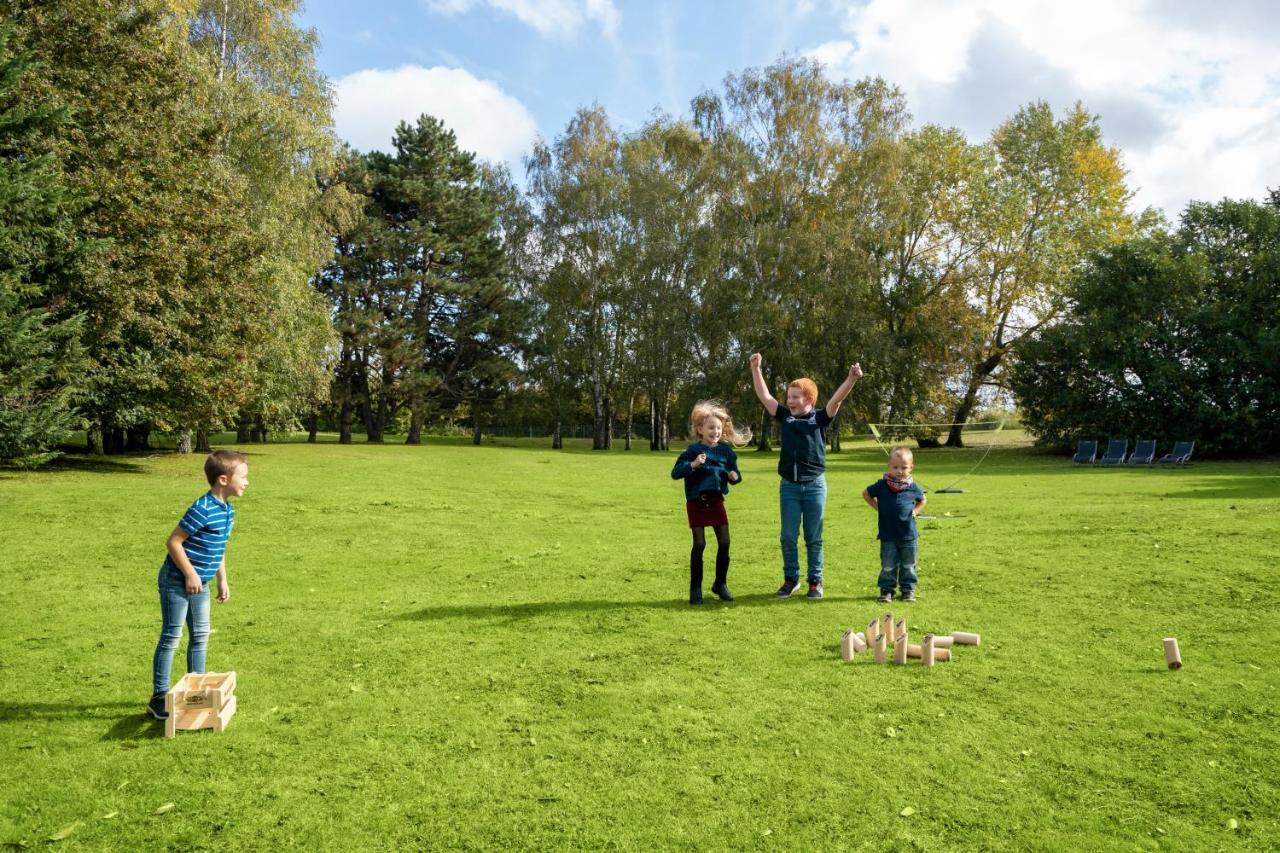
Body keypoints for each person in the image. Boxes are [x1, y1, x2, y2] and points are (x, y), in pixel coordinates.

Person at [749, 354, 863, 600]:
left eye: (795, 397)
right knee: (788, 536)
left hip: (814, 486)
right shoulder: (784, 417)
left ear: (808, 399)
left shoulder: (820, 417)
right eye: (788, 397)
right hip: (788, 486)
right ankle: (791, 579)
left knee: (813, 536)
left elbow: (836, 399)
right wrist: (756, 369)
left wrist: (851, 379)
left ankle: (815, 581)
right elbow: (764, 396)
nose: (789, 401)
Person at [147, 450, 249, 720]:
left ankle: (196, 688)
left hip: (200, 582)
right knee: (172, 636)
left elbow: (218, 548)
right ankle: (159, 697)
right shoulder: (202, 508)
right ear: (224, 480)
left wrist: (222, 579)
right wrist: (191, 574)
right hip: (176, 580)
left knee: (200, 636)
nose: (247, 482)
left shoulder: (227, 510)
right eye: (244, 477)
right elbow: (174, 542)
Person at [670, 401, 750, 604]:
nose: (715, 431)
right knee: (699, 543)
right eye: (711, 427)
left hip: (716, 501)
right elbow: (676, 473)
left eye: (718, 428)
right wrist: (693, 465)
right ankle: (695, 589)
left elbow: (735, 475)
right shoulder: (692, 451)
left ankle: (720, 584)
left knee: (725, 542)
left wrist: (734, 476)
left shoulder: (726, 452)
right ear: (700, 429)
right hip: (697, 501)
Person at [862, 445, 927, 603]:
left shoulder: (912, 487)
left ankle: (908, 590)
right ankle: (886, 590)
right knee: (888, 565)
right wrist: (878, 507)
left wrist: (915, 511)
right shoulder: (882, 485)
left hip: (908, 535)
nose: (899, 471)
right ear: (889, 467)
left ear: (911, 468)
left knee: (908, 564)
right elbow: (866, 494)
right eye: (895, 467)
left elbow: (923, 500)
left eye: (904, 467)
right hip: (888, 534)